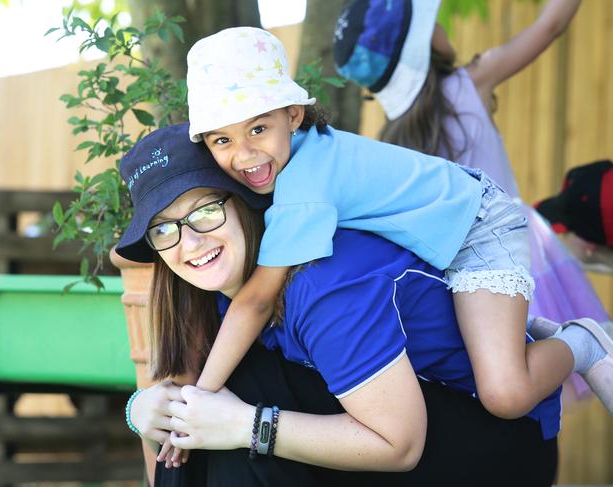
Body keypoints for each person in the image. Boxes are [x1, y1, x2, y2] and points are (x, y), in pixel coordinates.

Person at [182, 23, 613, 422]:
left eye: (258, 129)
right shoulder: (301, 158)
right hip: (449, 228)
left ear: (293, 116)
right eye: (223, 139)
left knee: (506, 395)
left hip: (479, 228)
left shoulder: (304, 187)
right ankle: (521, 329)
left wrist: (201, 395)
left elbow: (257, 300)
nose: (243, 154)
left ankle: (583, 342)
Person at [116, 122, 560, 486]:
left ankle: (580, 343)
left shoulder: (321, 282)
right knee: (206, 412)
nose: (190, 241)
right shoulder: (211, 285)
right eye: (163, 230)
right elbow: (191, 396)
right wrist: (144, 408)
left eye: (205, 210)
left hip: (488, 445)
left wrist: (245, 426)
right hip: (409, 422)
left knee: (242, 402)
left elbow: (401, 444)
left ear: (247, 203)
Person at [332, 0, 613, 405]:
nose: (444, 28)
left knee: (515, 396)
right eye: (434, 24)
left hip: (458, 282)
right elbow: (551, 25)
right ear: (423, 43)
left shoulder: (390, 143)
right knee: (542, 388)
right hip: (516, 254)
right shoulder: (468, 84)